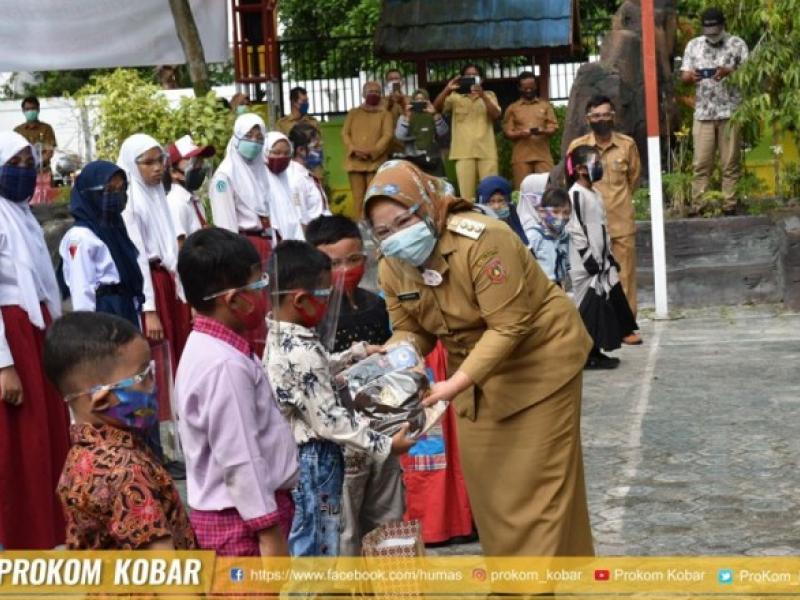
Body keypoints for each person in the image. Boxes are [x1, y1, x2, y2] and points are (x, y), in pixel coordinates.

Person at [364, 159, 594, 557]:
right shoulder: (392, 265)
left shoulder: (483, 238)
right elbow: (412, 331)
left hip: (538, 362)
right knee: (492, 492)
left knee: (538, 489)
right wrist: (389, 358)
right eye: (383, 232)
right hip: (474, 376)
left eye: (404, 222)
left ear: (426, 204)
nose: (397, 237)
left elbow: (509, 326)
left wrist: (452, 385)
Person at [264, 240, 414, 557]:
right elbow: (331, 421)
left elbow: (316, 372)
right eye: (324, 295)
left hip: (312, 454)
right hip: (316, 458)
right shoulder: (300, 351)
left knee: (323, 535)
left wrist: (356, 354)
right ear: (301, 300)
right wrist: (386, 445)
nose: (330, 302)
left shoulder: (285, 336)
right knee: (322, 542)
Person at [174, 227, 298, 556]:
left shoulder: (214, 347)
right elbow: (240, 458)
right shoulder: (223, 365)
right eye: (257, 286)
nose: (263, 294)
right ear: (233, 299)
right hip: (243, 525)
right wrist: (269, 534)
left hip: (246, 516)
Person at [43, 312, 196, 550]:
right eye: (144, 376)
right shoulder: (126, 473)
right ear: (103, 400)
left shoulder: (80, 456)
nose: (153, 385)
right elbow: (166, 578)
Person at [304, 215, 404, 555]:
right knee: (344, 529)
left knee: (388, 520)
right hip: (341, 442)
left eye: (354, 260)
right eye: (334, 263)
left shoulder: (376, 305)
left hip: (384, 428)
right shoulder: (311, 319)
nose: (345, 269)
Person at [0, 131, 70, 550]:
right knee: (17, 441)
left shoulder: (20, 213)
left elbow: (42, 281)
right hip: (11, 333)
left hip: (34, 326)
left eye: (31, 163)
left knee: (43, 435)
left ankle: (47, 530)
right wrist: (4, 364)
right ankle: (16, 536)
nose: (25, 172)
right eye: (16, 163)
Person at [567, 95, 642, 344]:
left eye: (606, 114)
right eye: (596, 115)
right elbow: (570, 180)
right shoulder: (578, 147)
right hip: (590, 227)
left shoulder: (627, 145)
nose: (601, 119)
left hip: (620, 220)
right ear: (588, 118)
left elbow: (634, 179)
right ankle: (597, 328)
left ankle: (626, 327)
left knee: (624, 275)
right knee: (592, 278)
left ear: (613, 116)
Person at [118, 134, 191, 373]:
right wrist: (149, 309)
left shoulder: (159, 195)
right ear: (132, 164)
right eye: (148, 163)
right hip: (150, 284)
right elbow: (138, 257)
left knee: (179, 350)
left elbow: (171, 246)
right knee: (160, 356)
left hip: (168, 279)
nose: (158, 168)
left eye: (160, 160)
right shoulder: (129, 203)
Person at [566, 145, 638, 370]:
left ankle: (597, 350)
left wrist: (607, 255)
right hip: (586, 264)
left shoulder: (595, 193)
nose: (599, 166)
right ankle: (585, 354)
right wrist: (588, 257)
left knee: (604, 306)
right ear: (580, 169)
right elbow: (574, 227)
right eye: (594, 162)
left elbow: (603, 227)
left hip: (601, 261)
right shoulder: (575, 195)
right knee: (588, 307)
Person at [59, 160, 144, 327]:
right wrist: (89, 332)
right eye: (109, 190)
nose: (116, 196)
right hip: (103, 314)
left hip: (124, 308)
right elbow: (82, 289)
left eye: (121, 190)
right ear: (89, 193)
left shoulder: (114, 228)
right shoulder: (81, 236)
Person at [680, 7, 749, 214]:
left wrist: (731, 72)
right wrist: (691, 77)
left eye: (715, 32)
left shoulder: (737, 44)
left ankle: (730, 205)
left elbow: (750, 75)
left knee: (730, 163)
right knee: (701, 163)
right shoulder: (694, 45)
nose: (712, 36)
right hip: (703, 113)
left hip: (731, 112)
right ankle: (700, 205)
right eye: (708, 32)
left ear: (723, 26)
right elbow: (684, 76)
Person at [210, 113, 272, 262]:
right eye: (248, 136)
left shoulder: (261, 171)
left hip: (267, 243)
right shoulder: (223, 177)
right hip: (243, 248)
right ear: (237, 137)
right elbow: (225, 224)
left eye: (259, 138)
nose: (254, 142)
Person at [433, 64, 501, 201]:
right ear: (462, 79)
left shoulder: (490, 95)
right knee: (466, 196)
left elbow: (496, 115)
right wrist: (447, 89)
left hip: (487, 151)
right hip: (463, 152)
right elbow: (436, 108)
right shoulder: (454, 98)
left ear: (481, 80)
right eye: (468, 75)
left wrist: (482, 96)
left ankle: (491, 220)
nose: (471, 77)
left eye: (474, 75)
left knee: (490, 192)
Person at [341, 81, 395, 217]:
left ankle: (375, 226)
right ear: (363, 94)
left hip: (375, 163)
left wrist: (372, 152)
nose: (374, 94)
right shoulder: (353, 113)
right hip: (354, 161)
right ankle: (362, 228)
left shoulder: (385, 114)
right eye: (370, 91)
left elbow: (387, 135)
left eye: (377, 92)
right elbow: (345, 133)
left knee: (374, 197)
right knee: (358, 198)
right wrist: (353, 149)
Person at [502, 72, 558, 189]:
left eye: (531, 88)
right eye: (525, 88)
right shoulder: (513, 108)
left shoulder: (545, 106)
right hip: (521, 157)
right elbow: (508, 132)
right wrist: (521, 133)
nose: (528, 90)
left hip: (542, 155)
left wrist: (543, 130)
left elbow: (553, 127)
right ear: (519, 88)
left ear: (536, 86)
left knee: (548, 188)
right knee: (523, 191)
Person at [165, 135, 215, 247]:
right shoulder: (175, 203)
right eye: (193, 162)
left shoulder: (194, 200)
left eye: (201, 161)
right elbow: (181, 248)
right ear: (173, 172)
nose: (200, 166)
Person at [394, 89, 449, 177]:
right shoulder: (405, 116)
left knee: (435, 188)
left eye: (422, 99)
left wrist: (434, 114)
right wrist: (408, 117)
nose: (419, 102)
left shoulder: (432, 115)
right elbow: (400, 136)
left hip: (433, 160)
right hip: (413, 160)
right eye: (416, 99)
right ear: (412, 101)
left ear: (427, 101)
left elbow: (443, 132)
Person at [264, 132, 306, 241]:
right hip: (274, 238)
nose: (281, 157)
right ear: (265, 152)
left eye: (286, 153)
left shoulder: (291, 177)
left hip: (295, 238)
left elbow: (297, 203)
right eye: (276, 153)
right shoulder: (260, 180)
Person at [526, 187, 572, 287]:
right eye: (555, 212)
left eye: (566, 212)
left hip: (558, 286)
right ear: (542, 212)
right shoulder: (534, 236)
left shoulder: (564, 236)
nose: (561, 217)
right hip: (539, 287)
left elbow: (567, 266)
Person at [288, 123, 330, 221]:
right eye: (316, 147)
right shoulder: (295, 179)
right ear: (301, 150)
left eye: (320, 146)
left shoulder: (307, 174)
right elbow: (300, 219)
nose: (320, 150)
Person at [476, 175, 529, 246]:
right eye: (491, 201)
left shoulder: (515, 227)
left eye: (501, 201)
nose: (497, 206)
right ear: (481, 204)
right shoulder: (475, 232)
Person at [14, 96, 57, 171]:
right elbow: (13, 152)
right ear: (23, 111)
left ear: (38, 110)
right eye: (27, 109)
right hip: (22, 170)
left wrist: (36, 163)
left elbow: (49, 151)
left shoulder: (46, 128)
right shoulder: (18, 131)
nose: (30, 111)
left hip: (42, 171)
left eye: (33, 108)